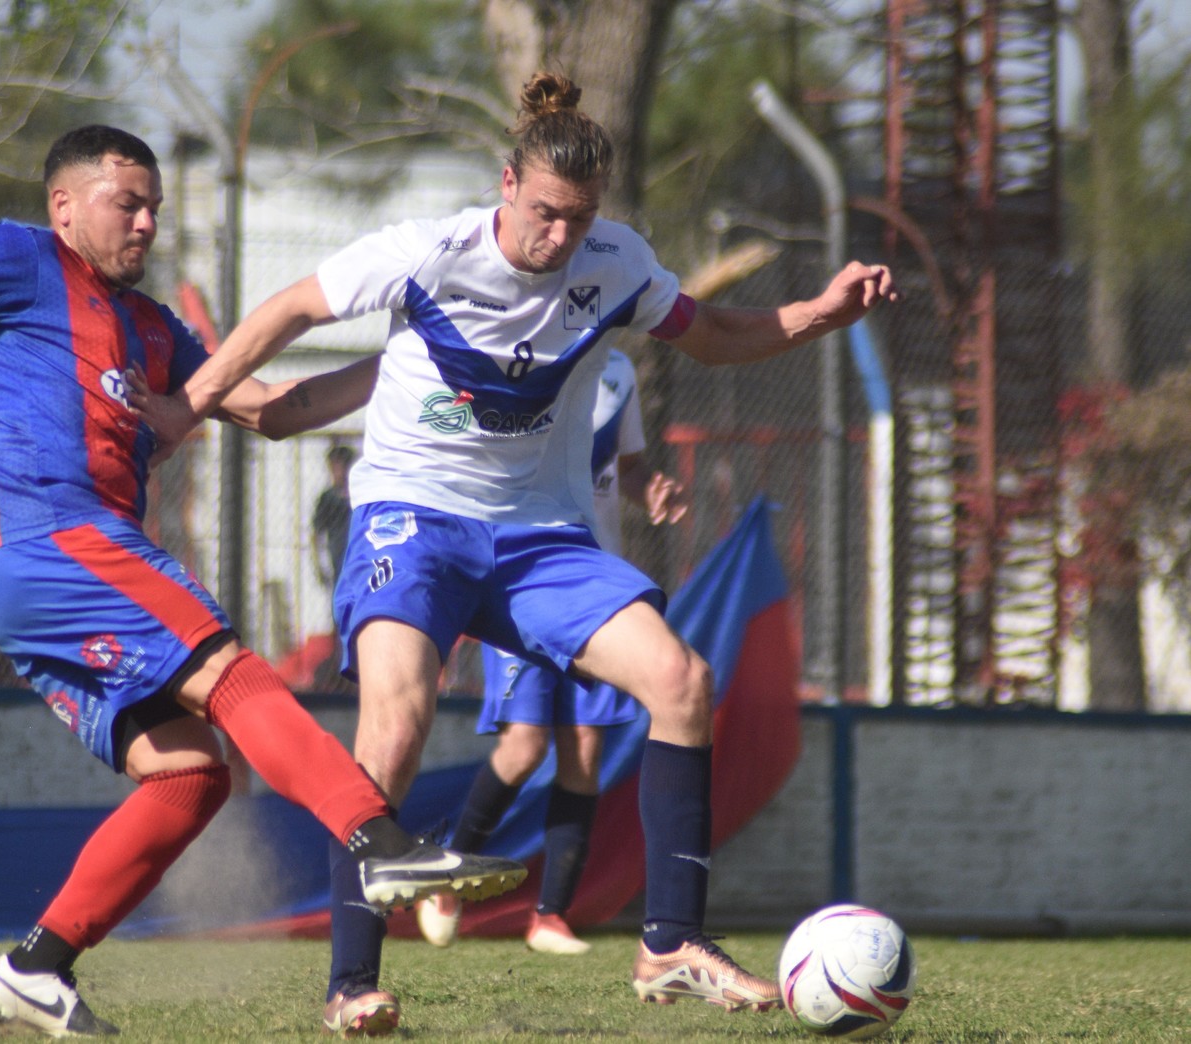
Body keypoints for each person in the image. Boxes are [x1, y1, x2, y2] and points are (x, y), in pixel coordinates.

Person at [0, 124, 525, 1038]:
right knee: (230, 671)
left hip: (31, 577)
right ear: (63, 205)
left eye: (155, 209)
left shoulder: (150, 327)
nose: (146, 224)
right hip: (51, 540)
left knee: (190, 775)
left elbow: (274, 411)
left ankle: (35, 968)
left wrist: (410, 361)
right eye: (126, 204)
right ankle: (379, 842)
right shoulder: (19, 258)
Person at [132, 72, 897, 1036]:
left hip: (540, 537)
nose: (559, 238)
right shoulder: (425, 253)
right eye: (543, 214)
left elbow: (713, 336)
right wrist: (185, 406)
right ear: (505, 183)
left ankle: (669, 944)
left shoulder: (615, 263)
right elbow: (286, 311)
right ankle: (352, 983)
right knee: (397, 724)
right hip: (413, 518)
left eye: (578, 220)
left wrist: (818, 315)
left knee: (680, 679)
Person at [415, 348, 685, 956]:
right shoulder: (518, 349)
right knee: (525, 743)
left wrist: (655, 489)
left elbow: (629, 467)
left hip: (597, 586)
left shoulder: (620, 367)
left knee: (584, 751)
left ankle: (550, 916)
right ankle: (446, 877)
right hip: (523, 580)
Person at [312, 442, 356, 589]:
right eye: (333, 467)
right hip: (338, 563)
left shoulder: (361, 496)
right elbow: (316, 533)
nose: (336, 472)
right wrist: (318, 565)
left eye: (340, 466)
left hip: (361, 563)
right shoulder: (327, 498)